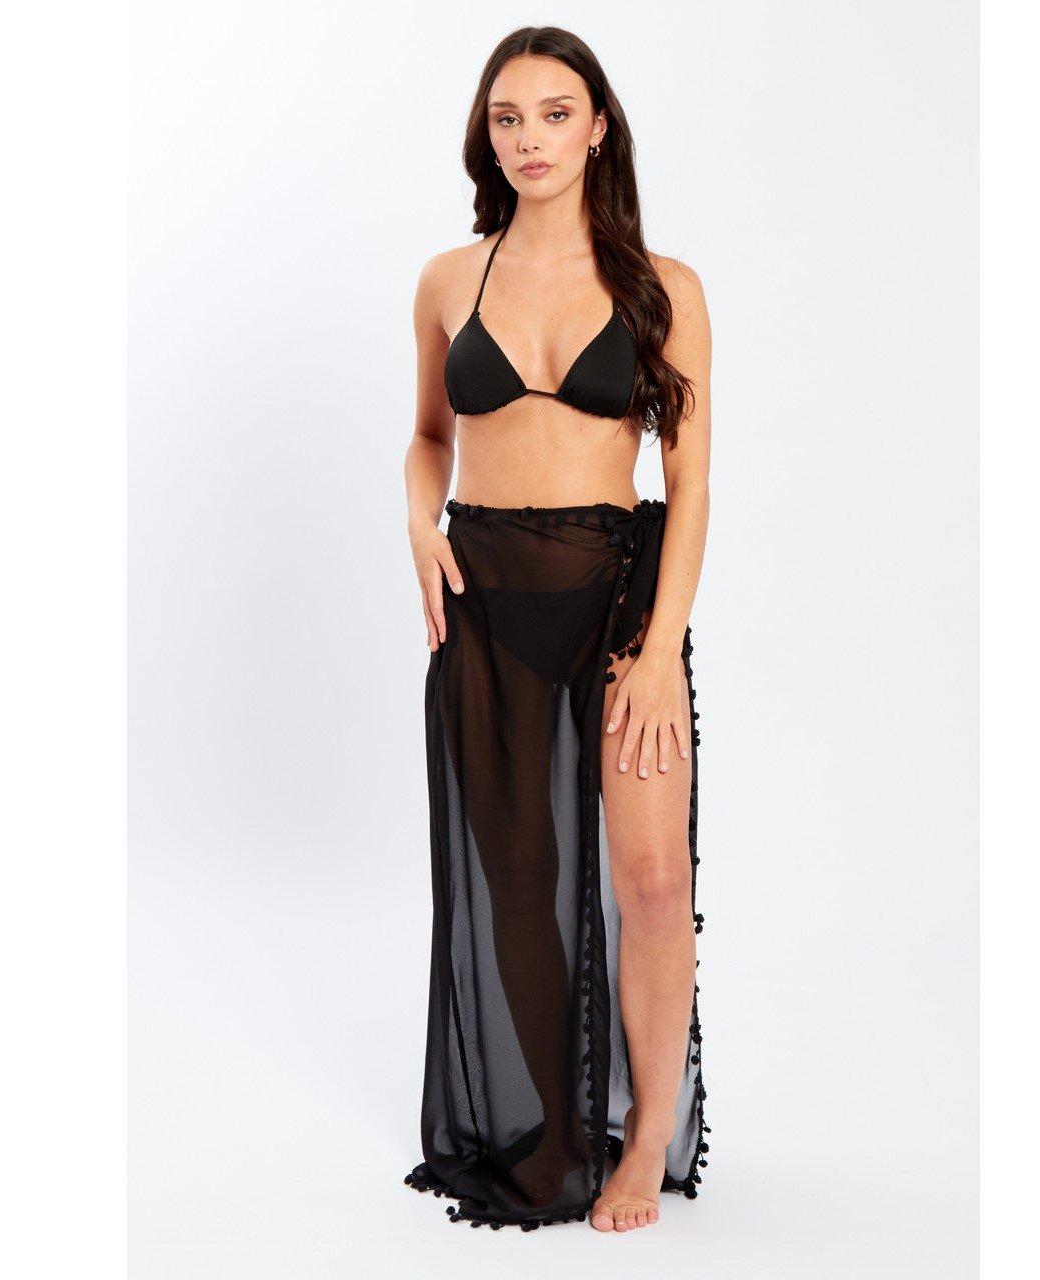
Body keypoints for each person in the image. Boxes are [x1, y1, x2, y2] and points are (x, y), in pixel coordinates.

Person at [402, 25, 712, 1234]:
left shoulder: (661, 287)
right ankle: (557, 1122)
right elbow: (429, 434)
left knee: (652, 877)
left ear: (597, 128)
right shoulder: (448, 280)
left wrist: (661, 645)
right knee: (517, 878)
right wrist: (416, 517)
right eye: (506, 117)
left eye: (552, 112)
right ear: (486, 137)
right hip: (483, 596)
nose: (528, 137)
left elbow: (689, 479)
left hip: (618, 595)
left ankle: (641, 1140)